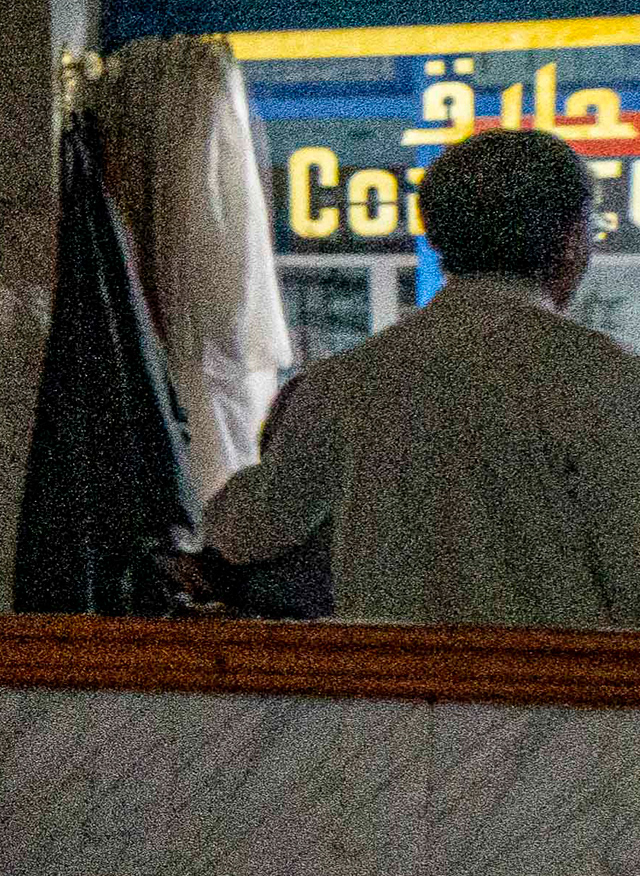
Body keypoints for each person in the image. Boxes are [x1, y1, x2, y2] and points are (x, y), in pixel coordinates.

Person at [202, 127, 640, 627]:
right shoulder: (607, 380)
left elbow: (242, 531)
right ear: (571, 241)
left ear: (433, 238)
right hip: (559, 696)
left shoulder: (344, 383)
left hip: (389, 694)